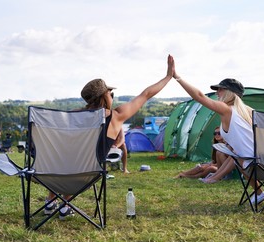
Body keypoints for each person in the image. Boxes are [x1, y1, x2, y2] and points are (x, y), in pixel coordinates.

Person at [44, 54, 175, 219]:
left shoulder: (71, 116)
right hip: (88, 174)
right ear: (104, 96)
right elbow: (146, 95)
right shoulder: (115, 116)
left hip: (52, 174)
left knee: (66, 157)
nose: (111, 94)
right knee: (77, 162)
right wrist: (168, 76)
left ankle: (50, 202)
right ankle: (64, 206)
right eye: (109, 92)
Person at [172, 59, 264, 205]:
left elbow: (199, 96)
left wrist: (177, 77)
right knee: (245, 153)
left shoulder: (227, 109)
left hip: (254, 164)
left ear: (230, 93)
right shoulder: (249, 112)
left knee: (240, 156)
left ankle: (259, 193)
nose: (217, 92)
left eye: (220, 89)